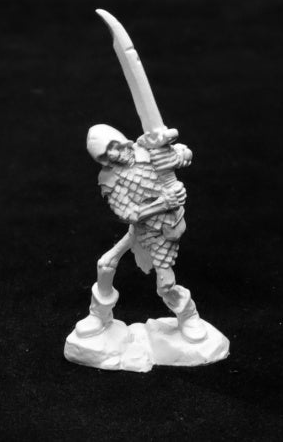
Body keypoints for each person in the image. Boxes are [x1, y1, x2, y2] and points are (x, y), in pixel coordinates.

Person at [75, 124, 207, 343]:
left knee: (165, 284)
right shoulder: (109, 178)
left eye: (114, 146)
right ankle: (98, 315)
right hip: (140, 228)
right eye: (105, 155)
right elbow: (128, 213)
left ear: (121, 140)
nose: (114, 154)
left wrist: (179, 154)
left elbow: (182, 154)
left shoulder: (148, 150)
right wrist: (162, 203)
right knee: (105, 264)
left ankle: (188, 316)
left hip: (165, 228)